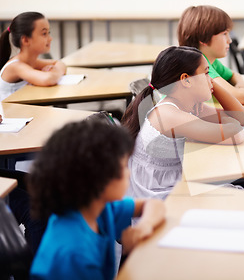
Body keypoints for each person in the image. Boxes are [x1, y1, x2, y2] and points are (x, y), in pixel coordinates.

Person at [121, 46, 244, 198]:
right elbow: (237, 135)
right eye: (207, 73)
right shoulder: (169, 115)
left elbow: (242, 119)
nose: (212, 79)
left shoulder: (188, 105)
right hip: (163, 197)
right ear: (186, 80)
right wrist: (228, 122)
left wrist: (210, 85)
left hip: (178, 183)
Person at [28, 120, 165, 280]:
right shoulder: (74, 253)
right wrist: (133, 258)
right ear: (97, 178)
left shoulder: (98, 209)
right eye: (123, 167)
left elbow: (153, 204)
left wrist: (144, 226)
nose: (128, 173)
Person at [177, 5, 244, 104]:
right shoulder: (198, 66)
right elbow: (237, 98)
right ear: (204, 38)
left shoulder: (209, 61)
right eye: (224, 34)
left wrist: (240, 85)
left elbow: (233, 75)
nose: (229, 40)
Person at [0, 11, 66, 101]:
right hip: (11, 114)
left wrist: (54, 71)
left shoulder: (32, 61)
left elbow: (59, 63)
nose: (50, 38)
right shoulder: (15, 66)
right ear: (26, 40)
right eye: (44, 34)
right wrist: (54, 72)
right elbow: (48, 79)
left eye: (48, 33)